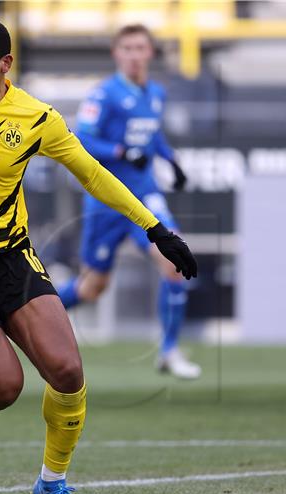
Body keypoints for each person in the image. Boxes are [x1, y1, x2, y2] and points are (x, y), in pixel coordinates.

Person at [0, 18, 197, 494]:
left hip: (11, 255)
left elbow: (94, 174)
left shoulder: (35, 118)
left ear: (5, 64)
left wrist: (156, 229)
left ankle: (53, 482)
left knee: (68, 371)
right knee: (4, 390)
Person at [56, 24, 200, 379]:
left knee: (173, 261)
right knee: (92, 288)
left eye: (140, 48)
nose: (135, 54)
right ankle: (25, 313)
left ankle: (168, 351)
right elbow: (82, 140)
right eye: (128, 48)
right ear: (117, 53)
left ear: (150, 52)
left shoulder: (156, 93)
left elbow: (151, 135)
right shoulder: (104, 95)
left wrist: (171, 160)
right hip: (108, 201)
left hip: (146, 197)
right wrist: (120, 151)